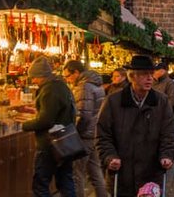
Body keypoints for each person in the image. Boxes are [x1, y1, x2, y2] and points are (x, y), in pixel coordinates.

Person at [96, 55, 174, 197]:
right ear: (132, 77)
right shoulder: (113, 101)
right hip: (123, 173)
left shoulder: (161, 101)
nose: (150, 78)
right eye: (145, 75)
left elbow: (168, 134)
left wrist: (167, 155)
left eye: (151, 74)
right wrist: (109, 156)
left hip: (151, 172)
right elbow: (103, 135)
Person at [20, 57, 77, 197]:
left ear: (43, 76)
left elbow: (45, 120)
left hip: (49, 144)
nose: (33, 81)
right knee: (65, 181)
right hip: (65, 143)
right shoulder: (60, 85)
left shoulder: (50, 90)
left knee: (41, 184)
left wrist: (24, 125)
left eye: (35, 78)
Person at [62, 60, 108, 197]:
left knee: (77, 175)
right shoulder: (96, 84)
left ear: (76, 72)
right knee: (95, 171)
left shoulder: (84, 87)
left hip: (84, 136)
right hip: (94, 134)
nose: (67, 80)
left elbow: (83, 115)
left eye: (68, 76)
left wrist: (75, 134)